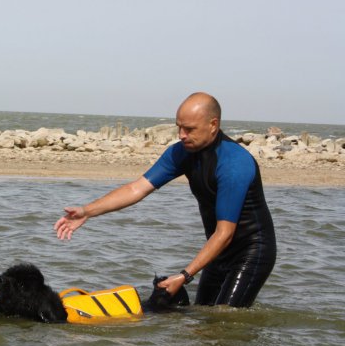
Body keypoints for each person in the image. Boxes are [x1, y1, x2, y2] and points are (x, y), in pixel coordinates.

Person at [54, 92, 276, 307]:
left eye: (189, 129)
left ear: (213, 125)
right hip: (216, 248)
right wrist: (87, 211)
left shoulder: (234, 164)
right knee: (204, 316)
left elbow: (225, 233)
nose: (181, 135)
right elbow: (136, 188)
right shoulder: (180, 152)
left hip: (251, 251)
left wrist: (184, 275)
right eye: (179, 127)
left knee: (225, 319)